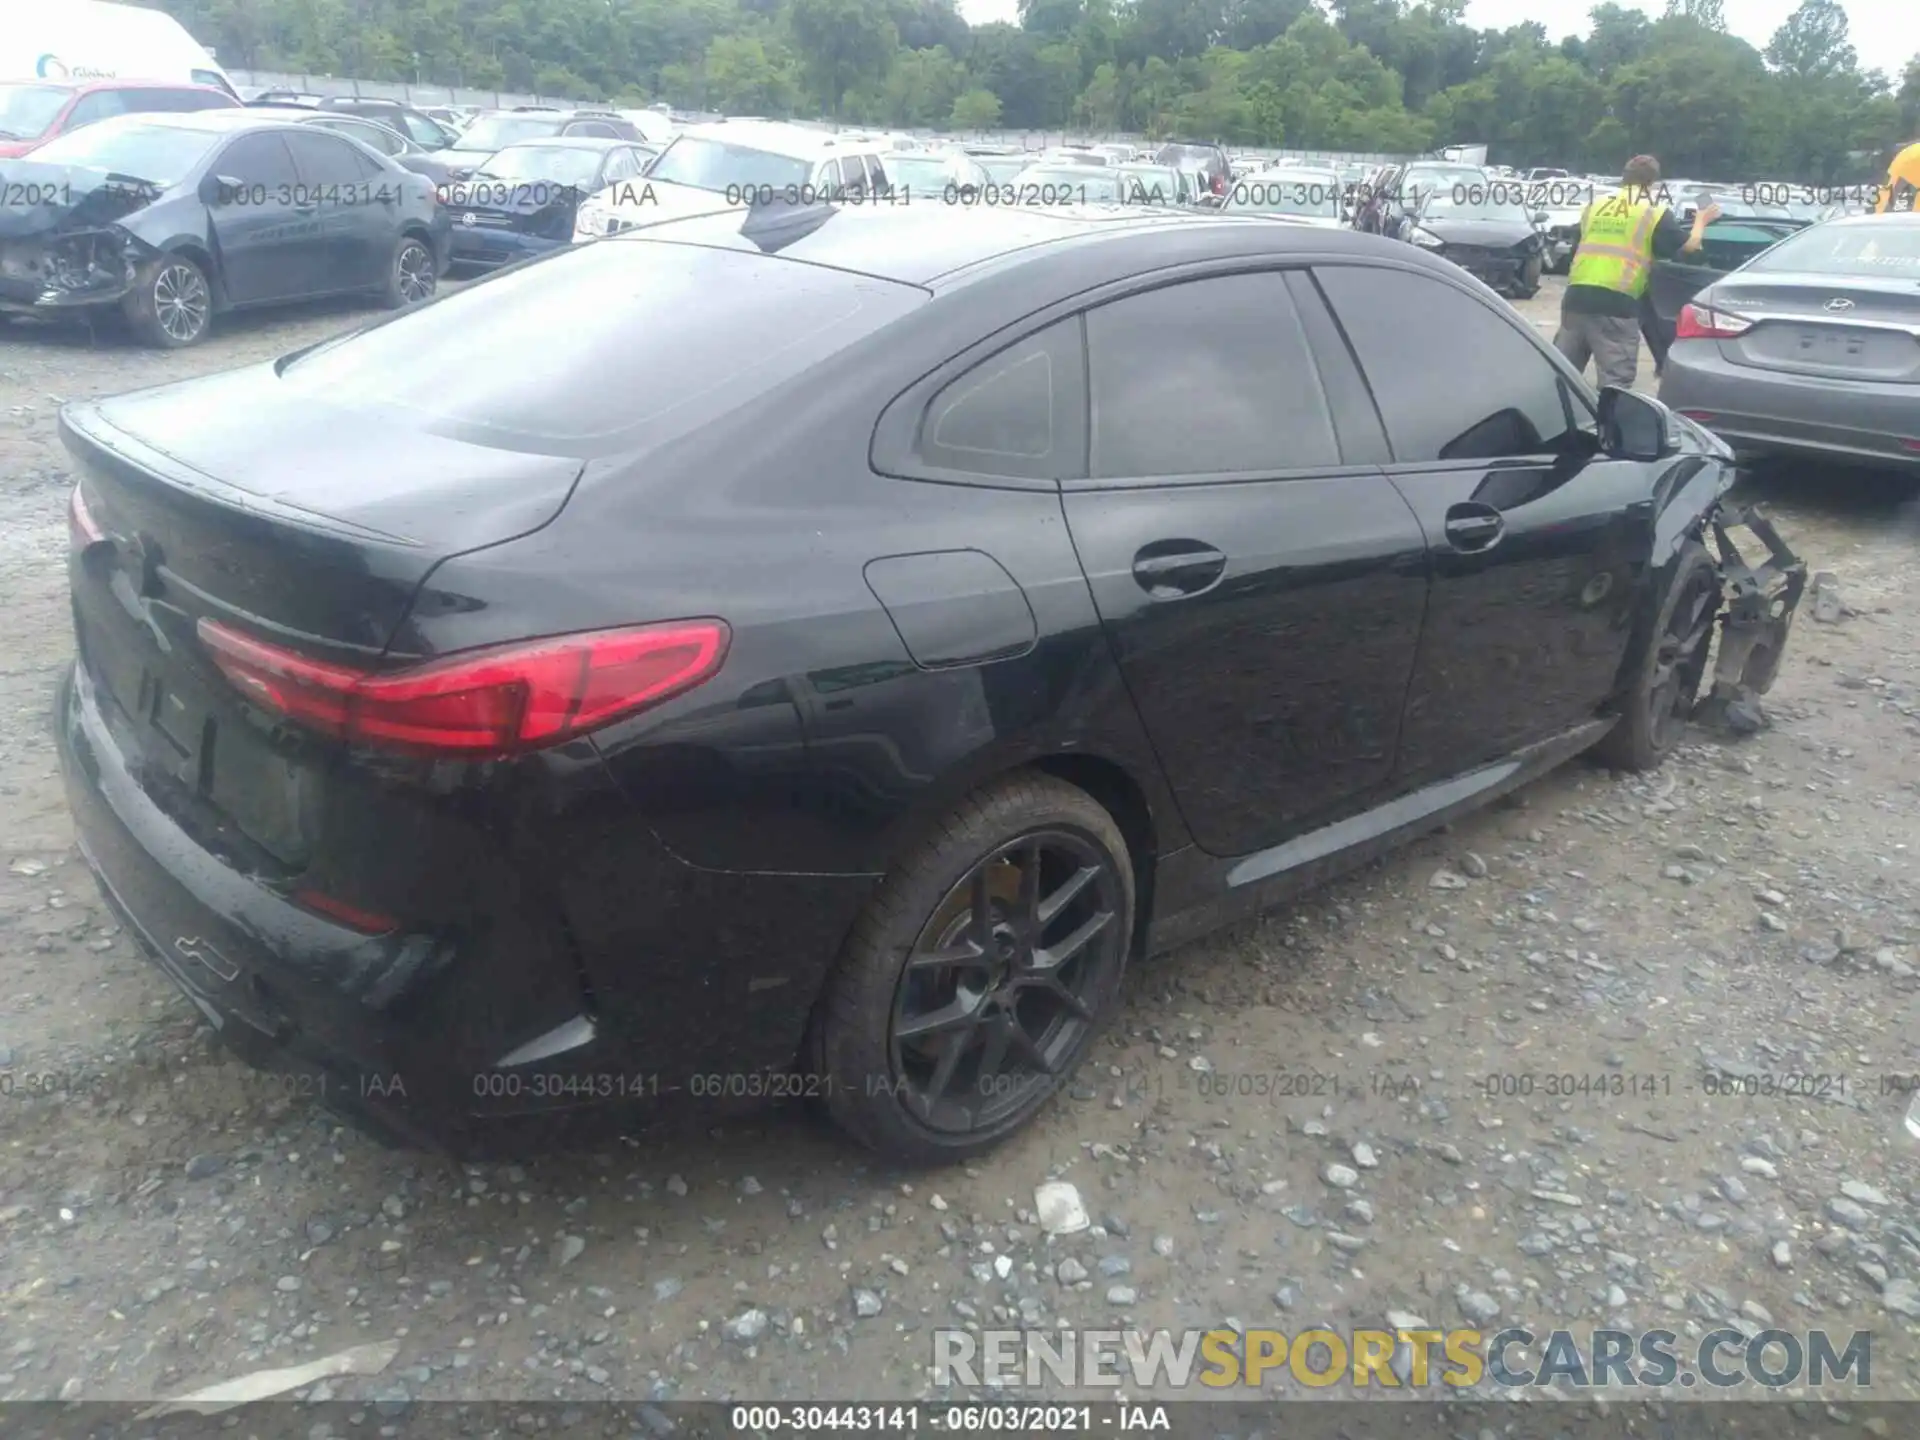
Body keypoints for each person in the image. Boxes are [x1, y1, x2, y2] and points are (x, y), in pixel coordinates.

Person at [1554, 154, 1717, 389]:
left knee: (1562, 377)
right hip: (1616, 302)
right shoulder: (1653, 210)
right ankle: (1609, 426)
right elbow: (1690, 249)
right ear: (1653, 182)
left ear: (1624, 177)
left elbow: (1578, 247)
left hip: (1575, 299)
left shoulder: (1596, 205)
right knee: (1615, 385)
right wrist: (1701, 220)